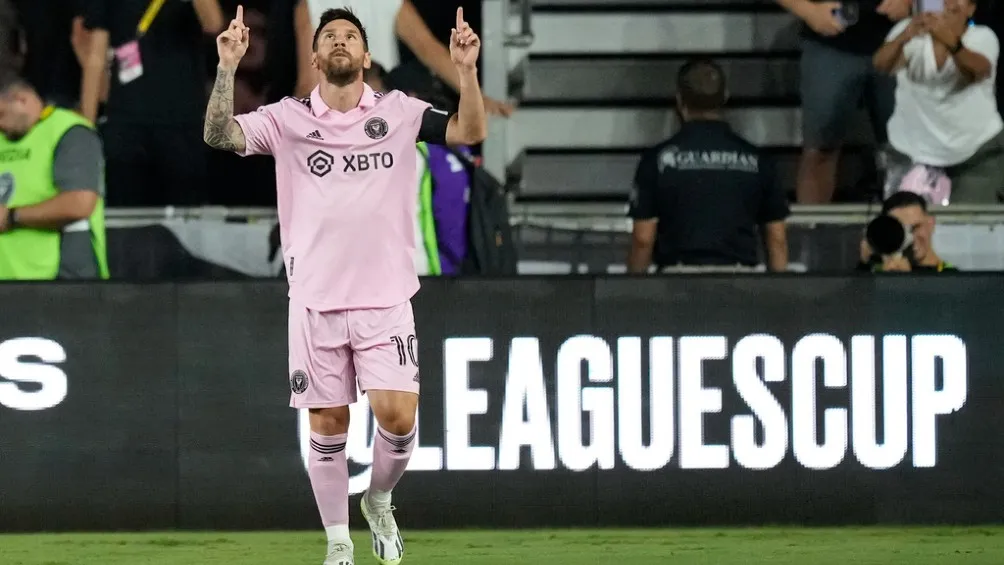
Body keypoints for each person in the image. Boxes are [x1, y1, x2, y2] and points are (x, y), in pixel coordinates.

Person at [204, 6, 487, 565]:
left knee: (397, 417)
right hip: (315, 301)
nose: (339, 41)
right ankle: (338, 546)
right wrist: (227, 67)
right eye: (328, 35)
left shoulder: (400, 112)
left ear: (366, 56)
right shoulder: (285, 119)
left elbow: (470, 131)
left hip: (385, 297)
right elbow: (218, 134)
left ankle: (379, 499)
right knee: (329, 423)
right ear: (313, 57)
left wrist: (466, 72)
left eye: (349, 36)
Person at [627, 59, 789, 274]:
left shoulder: (656, 160)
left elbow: (642, 239)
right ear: (725, 96)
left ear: (679, 100)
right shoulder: (758, 160)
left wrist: (630, 291)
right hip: (740, 281)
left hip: (676, 281)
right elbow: (777, 239)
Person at [80, 0, 225, 206]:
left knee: (186, 213)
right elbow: (95, 58)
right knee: (124, 212)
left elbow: (213, 23)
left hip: (182, 121)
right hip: (124, 120)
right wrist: (86, 127)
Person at [777, 0, 911, 203]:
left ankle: (909, 229)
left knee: (908, 150)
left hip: (903, 42)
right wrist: (809, 11)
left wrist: (916, 4)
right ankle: (811, 231)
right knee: (820, 150)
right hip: (830, 42)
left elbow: (945, 6)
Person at [874, 0, 1003, 203]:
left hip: (974, 154)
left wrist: (950, 41)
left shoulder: (982, 37)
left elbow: (979, 70)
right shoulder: (909, 32)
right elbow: (882, 65)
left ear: (970, 9)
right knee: (907, 229)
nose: (947, 3)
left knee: (970, 230)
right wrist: (904, 37)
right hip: (912, 152)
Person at [293, 0, 511, 116]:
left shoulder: (311, 5)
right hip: (380, 118)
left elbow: (308, 83)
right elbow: (429, 49)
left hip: (343, 124)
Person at [0, 71, 109, 280]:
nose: (0, 125)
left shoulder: (68, 132)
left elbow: (80, 203)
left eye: (1, 114)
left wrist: (12, 216)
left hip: (59, 279)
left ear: (22, 100)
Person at [858, 190, 956, 272]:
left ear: (931, 223)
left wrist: (906, 280)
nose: (910, 237)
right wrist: (865, 264)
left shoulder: (949, 274)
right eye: (900, 230)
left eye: (916, 227)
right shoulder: (878, 272)